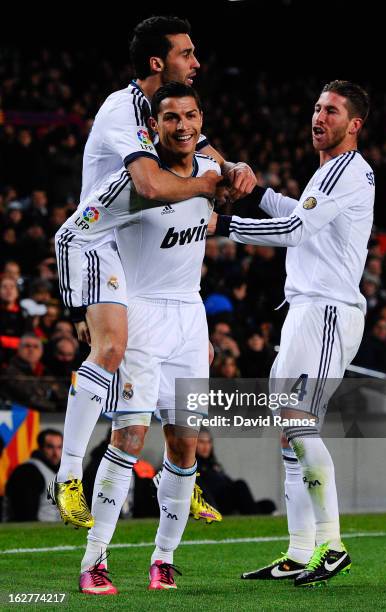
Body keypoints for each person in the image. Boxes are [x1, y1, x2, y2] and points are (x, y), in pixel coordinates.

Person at [51, 16, 255, 527]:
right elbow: (152, 185)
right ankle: (68, 474)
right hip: (95, 239)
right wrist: (210, 185)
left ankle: (177, 478)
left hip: (138, 249)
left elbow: (206, 153)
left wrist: (232, 171)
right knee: (112, 348)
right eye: (188, 53)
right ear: (158, 63)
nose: (197, 61)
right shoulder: (122, 110)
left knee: (185, 371)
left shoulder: (167, 111)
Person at [210, 80, 374, 587]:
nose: (319, 117)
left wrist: (224, 226)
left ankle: (333, 542)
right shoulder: (328, 172)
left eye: (332, 110)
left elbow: (295, 233)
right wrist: (257, 193)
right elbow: (295, 216)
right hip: (305, 311)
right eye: (317, 108)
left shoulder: (350, 170)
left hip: (327, 312)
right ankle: (300, 550)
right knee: (288, 433)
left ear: (355, 125)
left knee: (299, 421)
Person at [65, 83, 223, 595]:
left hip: (190, 317)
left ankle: (164, 559)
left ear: (202, 121)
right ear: (153, 127)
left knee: (185, 444)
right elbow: (76, 230)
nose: (183, 126)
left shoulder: (210, 173)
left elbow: (211, 222)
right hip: (142, 315)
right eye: (171, 118)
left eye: (191, 116)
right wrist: (87, 301)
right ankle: (95, 561)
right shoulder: (135, 184)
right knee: (129, 438)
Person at [196, 428, 276, 515]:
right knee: (240, 484)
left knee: (268, 504)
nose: (206, 446)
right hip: (217, 505)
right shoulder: (194, 466)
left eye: (208, 442)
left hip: (231, 500)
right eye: (201, 442)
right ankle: (254, 517)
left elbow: (229, 483)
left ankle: (256, 515)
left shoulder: (213, 465)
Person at [6, 429, 62, 521]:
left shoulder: (59, 470)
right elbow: (24, 514)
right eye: (50, 447)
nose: (56, 453)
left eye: (59, 447)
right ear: (40, 448)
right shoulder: (28, 471)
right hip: (37, 531)